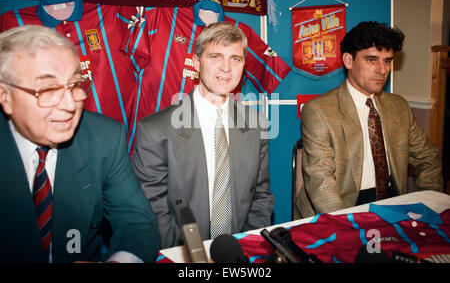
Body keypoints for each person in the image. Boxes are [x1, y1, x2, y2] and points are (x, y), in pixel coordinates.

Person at [0, 25, 160, 262]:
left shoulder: (104, 137)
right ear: (5, 97)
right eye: (47, 89)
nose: (69, 105)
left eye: (75, 85)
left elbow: (136, 221)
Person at [132, 21, 274, 248]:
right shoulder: (155, 130)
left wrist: (245, 248)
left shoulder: (256, 125)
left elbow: (261, 196)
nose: (226, 68)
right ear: (197, 63)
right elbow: (151, 207)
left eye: (235, 59)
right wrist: (191, 256)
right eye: (216, 56)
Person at [295, 21, 443, 219]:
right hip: (343, 206)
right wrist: (348, 228)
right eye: (372, 60)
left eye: (388, 61)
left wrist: (426, 203)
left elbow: (428, 157)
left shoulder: (399, 107)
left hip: (393, 202)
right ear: (348, 61)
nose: (382, 70)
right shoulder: (319, 111)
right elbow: (321, 181)